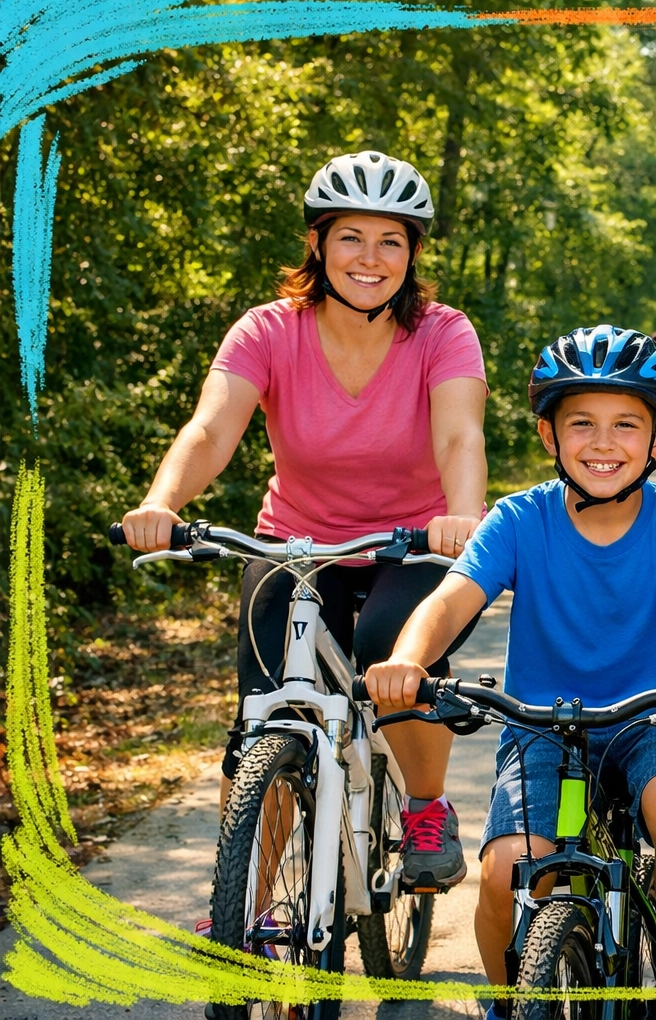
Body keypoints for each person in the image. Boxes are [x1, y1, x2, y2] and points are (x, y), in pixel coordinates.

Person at [363, 325, 656, 1020]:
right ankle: (507, 1000)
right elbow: (451, 600)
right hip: (543, 727)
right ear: (550, 437)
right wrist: (407, 659)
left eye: (625, 425)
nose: (603, 443)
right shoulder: (519, 520)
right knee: (507, 871)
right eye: (581, 423)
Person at [118, 150, 487, 894]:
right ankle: (243, 906)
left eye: (392, 241)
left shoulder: (443, 333)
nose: (370, 258)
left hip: (411, 542)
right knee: (263, 721)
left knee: (392, 650)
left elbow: (459, 435)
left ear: (413, 253)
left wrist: (463, 517)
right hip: (296, 542)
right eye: (352, 237)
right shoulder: (266, 331)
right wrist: (163, 505)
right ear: (318, 243)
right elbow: (211, 430)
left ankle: (424, 805)